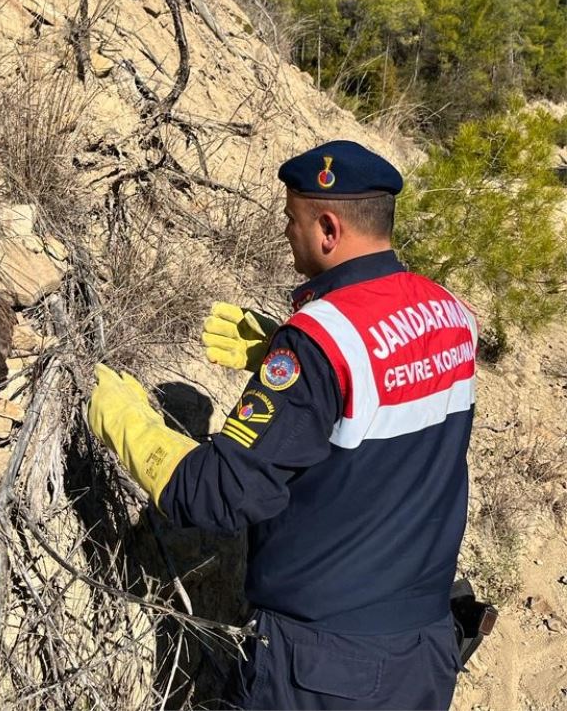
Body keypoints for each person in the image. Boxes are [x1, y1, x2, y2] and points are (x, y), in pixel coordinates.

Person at [88, 140, 477, 710]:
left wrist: (128, 424)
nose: (284, 232)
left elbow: (219, 493)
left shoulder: (319, 339)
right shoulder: (449, 313)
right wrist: (289, 364)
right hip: (425, 647)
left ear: (327, 228)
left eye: (290, 218)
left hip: (326, 668)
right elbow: (387, 414)